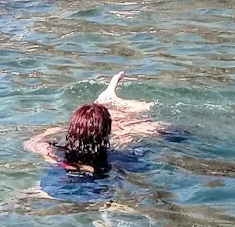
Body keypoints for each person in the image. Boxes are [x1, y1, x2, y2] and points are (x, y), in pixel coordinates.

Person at [23, 72, 165, 183]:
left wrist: (49, 137)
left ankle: (109, 99)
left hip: (55, 186)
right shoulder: (116, 158)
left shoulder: (57, 153)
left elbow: (30, 144)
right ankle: (110, 99)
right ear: (106, 132)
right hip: (98, 190)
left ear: (71, 130)